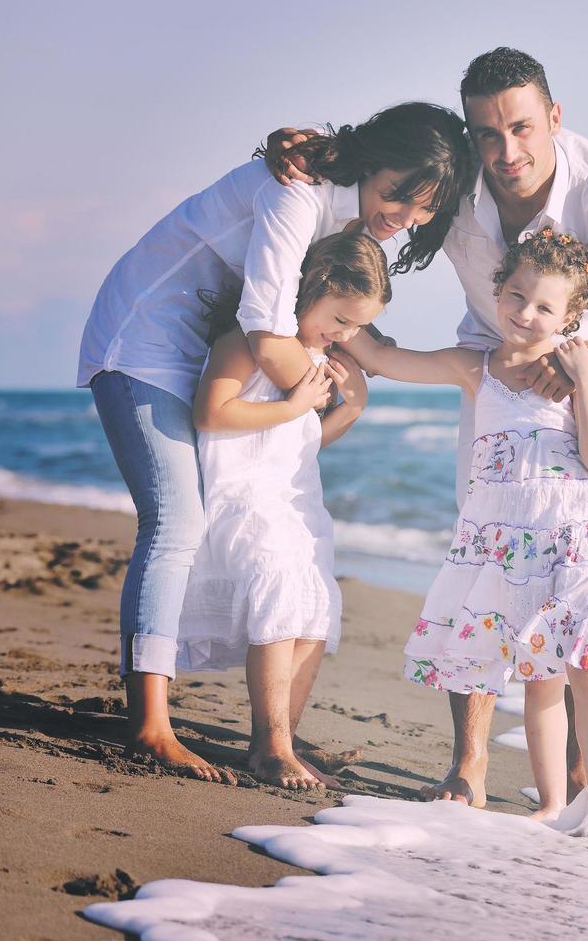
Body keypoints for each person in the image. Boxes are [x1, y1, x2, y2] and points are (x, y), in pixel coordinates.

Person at [267, 48, 588, 808]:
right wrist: (313, 154)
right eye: (486, 134)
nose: (505, 152)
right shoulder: (458, 182)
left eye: (521, 128)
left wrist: (580, 362)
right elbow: (384, 186)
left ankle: (587, 778)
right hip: (488, 372)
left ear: (554, 118)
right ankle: (468, 765)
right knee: (487, 555)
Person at [80, 102, 475, 782]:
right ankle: (150, 725)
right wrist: (314, 398)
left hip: (207, 348)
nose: (402, 217)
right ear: (372, 161)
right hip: (145, 340)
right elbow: (267, 331)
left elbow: (359, 344)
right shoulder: (299, 195)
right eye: (397, 195)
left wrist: (478, 372)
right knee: (175, 522)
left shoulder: (348, 218)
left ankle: (273, 735)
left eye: (421, 211)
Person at [357, 229, 588, 832]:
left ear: (571, 316)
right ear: (498, 291)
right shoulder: (476, 366)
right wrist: (335, 312)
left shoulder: (571, 371)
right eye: (515, 295)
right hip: (509, 543)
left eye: (545, 307)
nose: (525, 314)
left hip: (575, 539)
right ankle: (553, 805)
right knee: (537, 676)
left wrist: (586, 376)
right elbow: (384, 361)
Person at [178, 229, 385, 790]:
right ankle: (271, 746)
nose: (344, 334)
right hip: (245, 496)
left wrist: (351, 409)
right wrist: (296, 402)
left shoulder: (315, 359)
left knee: (316, 608)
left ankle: (280, 741)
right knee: (277, 589)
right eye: (338, 318)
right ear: (309, 289)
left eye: (355, 327)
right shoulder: (249, 340)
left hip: (296, 498)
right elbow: (212, 415)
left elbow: (300, 440)